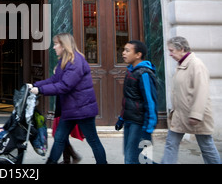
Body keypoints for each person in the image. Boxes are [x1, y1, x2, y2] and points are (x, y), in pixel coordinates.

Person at [30, 33, 107, 164]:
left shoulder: (75, 61)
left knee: (93, 140)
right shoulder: (65, 61)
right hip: (72, 109)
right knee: (59, 138)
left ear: (64, 46)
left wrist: (40, 90)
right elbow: (55, 79)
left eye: (56, 44)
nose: (54, 47)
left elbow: (64, 86)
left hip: (82, 110)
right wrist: (34, 85)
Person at [161, 36, 221, 164]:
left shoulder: (196, 65)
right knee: (171, 144)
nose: (170, 54)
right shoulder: (182, 65)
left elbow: (202, 91)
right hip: (180, 115)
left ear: (181, 49)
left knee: (207, 147)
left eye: (172, 51)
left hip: (196, 116)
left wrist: (196, 115)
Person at [115, 40, 158, 164]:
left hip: (140, 124)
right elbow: (128, 99)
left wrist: (149, 127)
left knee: (133, 159)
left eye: (127, 50)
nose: (123, 53)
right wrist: (121, 119)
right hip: (129, 120)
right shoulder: (130, 71)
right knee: (138, 158)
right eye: (123, 50)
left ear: (138, 55)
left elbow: (150, 101)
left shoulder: (144, 74)